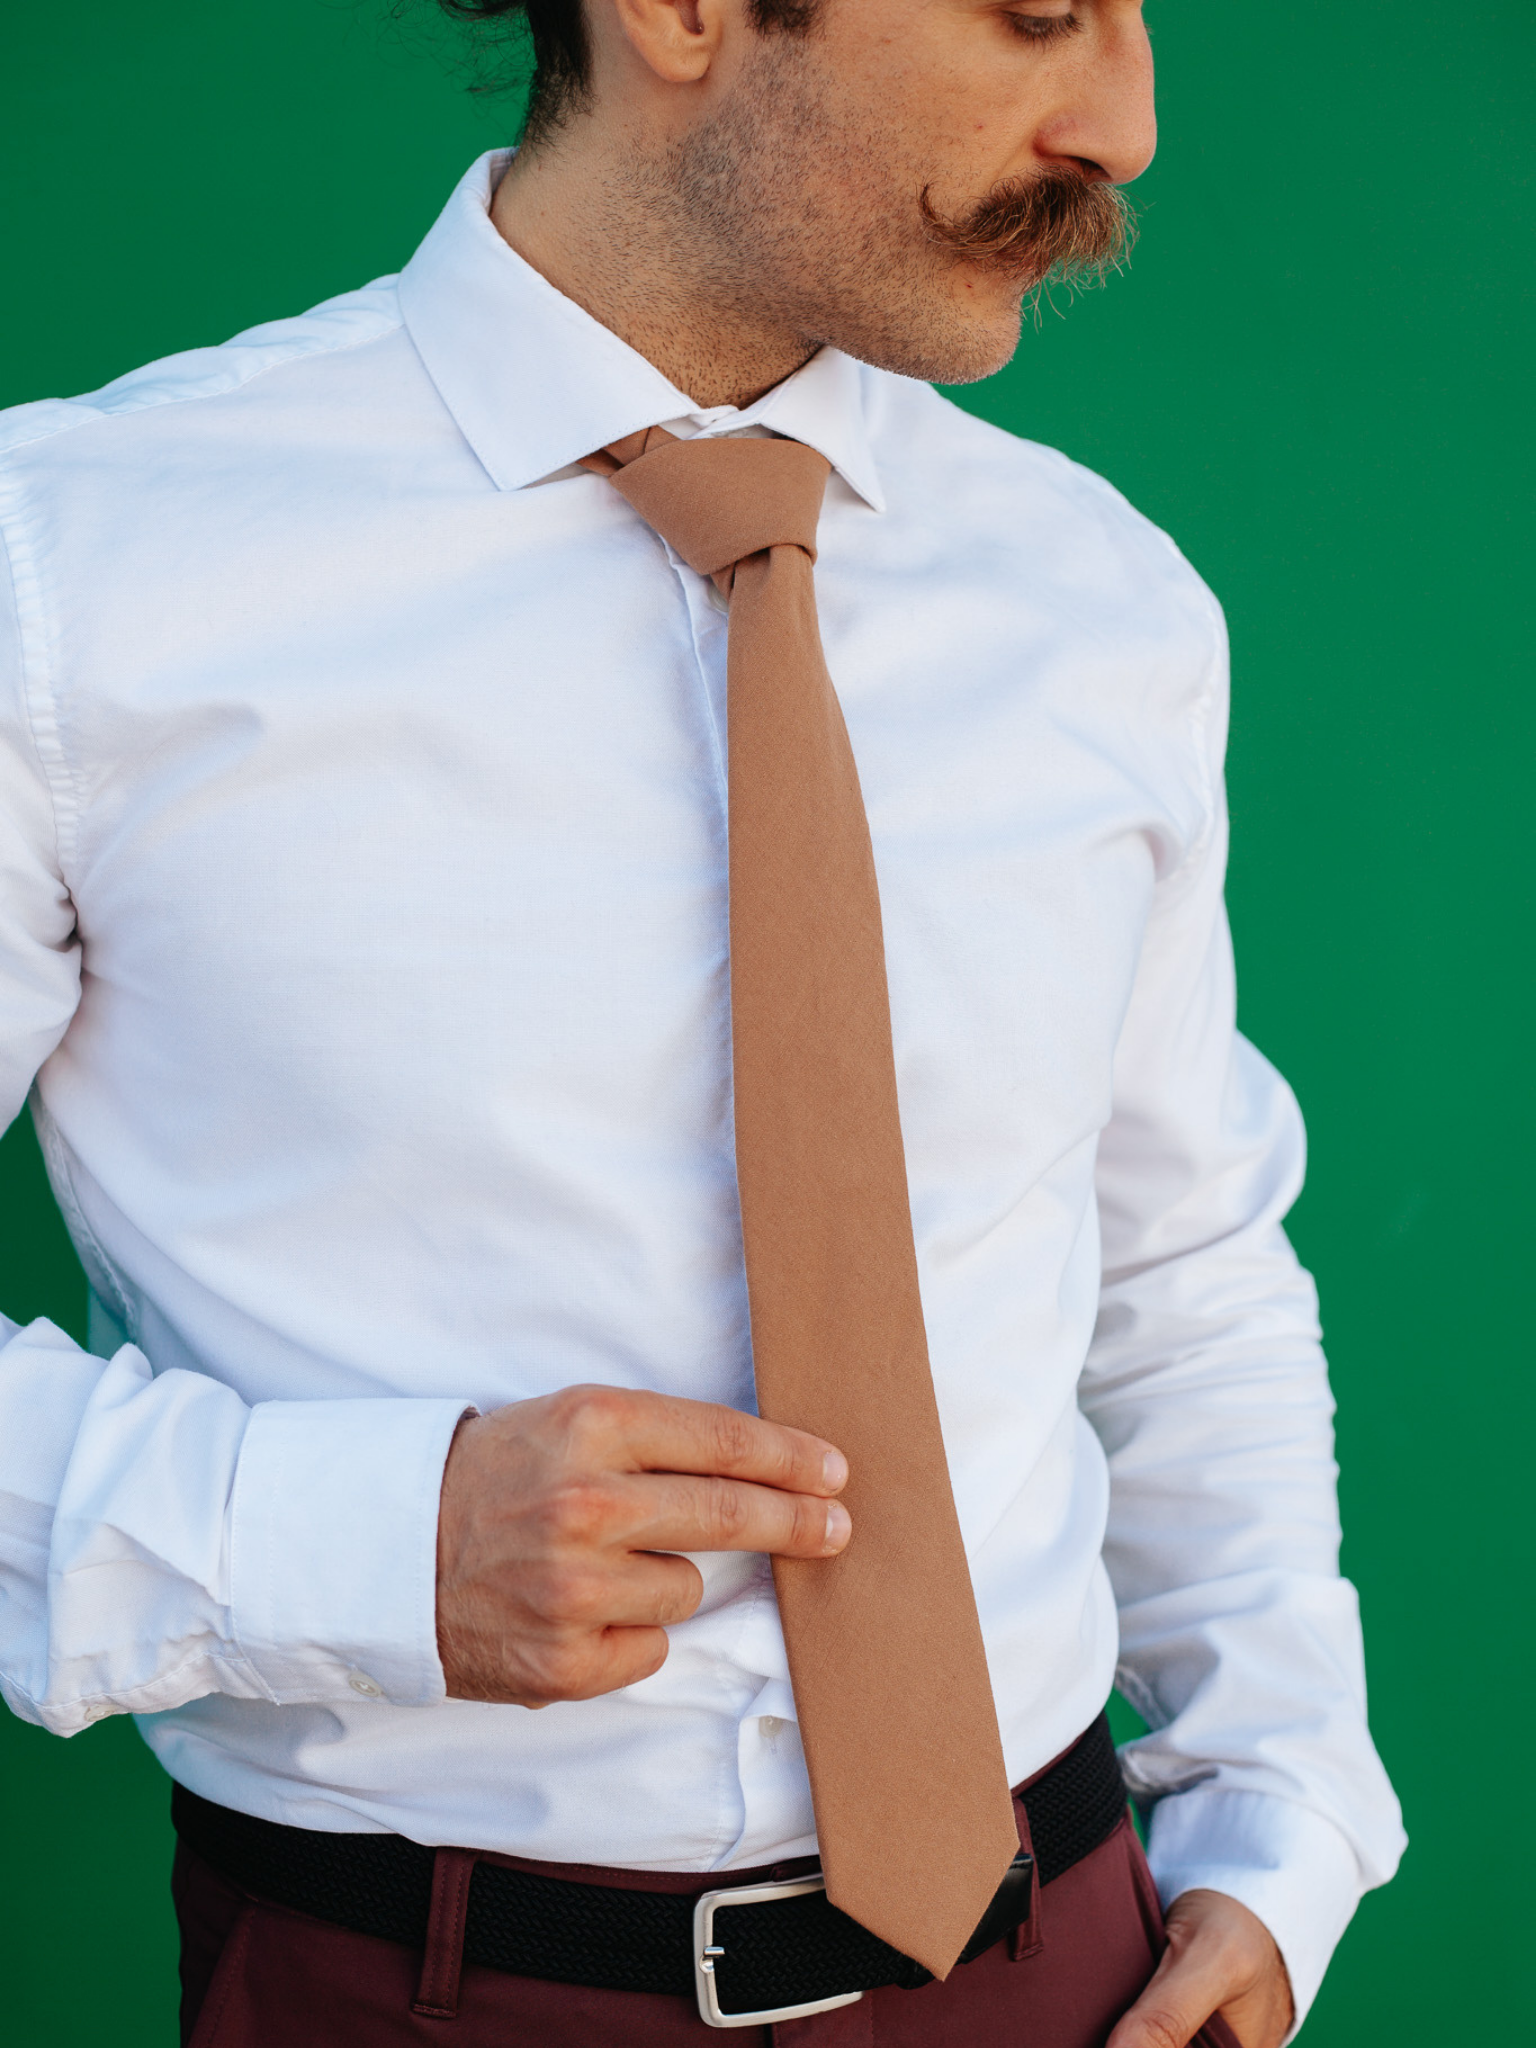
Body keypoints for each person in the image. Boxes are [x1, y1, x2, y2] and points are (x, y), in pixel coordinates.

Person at [0, 1, 1405, 2042]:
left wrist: (1286, 1811)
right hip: (412, 1989)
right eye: (1038, 10)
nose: (1128, 117)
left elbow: (1180, 1267)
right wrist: (347, 1544)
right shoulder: (68, 573)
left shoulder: (1102, 605)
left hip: (1068, 1958)